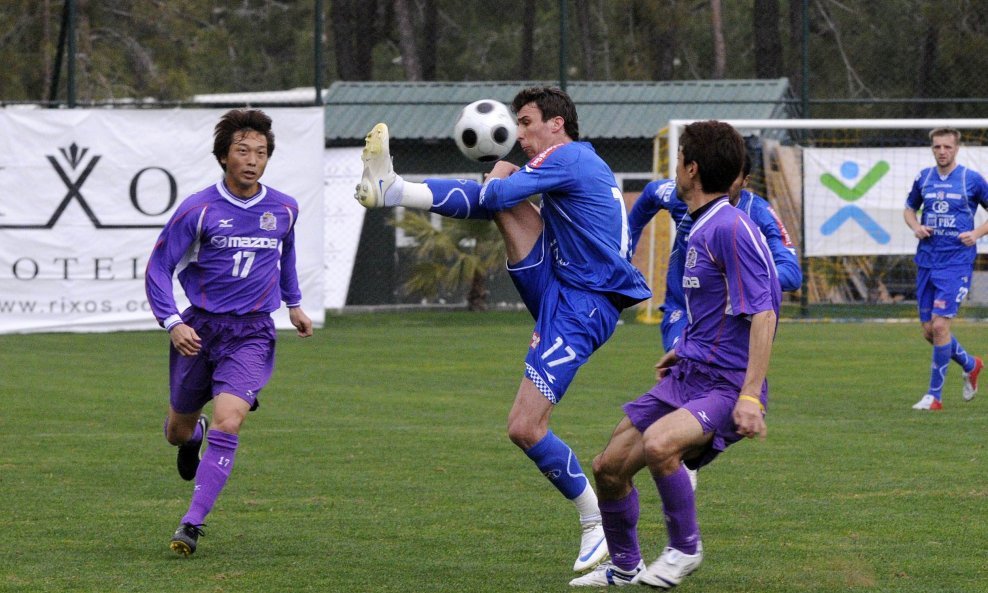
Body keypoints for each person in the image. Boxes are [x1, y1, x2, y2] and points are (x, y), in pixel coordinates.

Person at [354, 86, 652, 572]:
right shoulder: (571, 162)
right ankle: (392, 189)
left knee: (524, 426)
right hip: (563, 285)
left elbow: (495, 193)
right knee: (507, 176)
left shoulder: (572, 157)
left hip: (583, 308)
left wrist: (492, 177)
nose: (520, 133)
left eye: (527, 122)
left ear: (557, 124)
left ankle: (596, 523)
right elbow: (502, 192)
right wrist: (498, 176)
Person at [569, 120, 780, 588]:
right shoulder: (700, 226)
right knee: (608, 468)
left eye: (678, 159)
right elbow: (717, 311)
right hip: (689, 374)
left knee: (661, 444)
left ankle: (685, 548)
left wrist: (749, 396)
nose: (675, 170)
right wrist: (683, 349)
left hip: (726, 385)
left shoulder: (730, 227)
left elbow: (763, 314)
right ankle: (624, 567)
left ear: (691, 168)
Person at [145, 108, 314, 556]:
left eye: (260, 152)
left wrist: (294, 304)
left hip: (252, 333)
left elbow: (287, 256)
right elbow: (158, 267)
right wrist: (173, 322)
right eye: (243, 151)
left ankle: (191, 524)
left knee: (231, 420)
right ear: (223, 157)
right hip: (199, 330)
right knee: (176, 431)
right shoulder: (198, 209)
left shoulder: (284, 208)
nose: (252, 159)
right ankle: (193, 436)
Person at [628, 152, 801, 353]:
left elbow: (792, 274)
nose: (724, 181)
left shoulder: (759, 214)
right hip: (681, 310)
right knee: (685, 365)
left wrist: (745, 275)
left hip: (726, 320)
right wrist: (625, 253)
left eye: (732, 176)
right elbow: (651, 193)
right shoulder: (686, 198)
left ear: (745, 181)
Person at [904, 127, 988, 411]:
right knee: (930, 332)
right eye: (937, 147)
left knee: (940, 326)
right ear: (932, 149)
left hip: (956, 262)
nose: (942, 152)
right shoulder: (923, 178)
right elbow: (908, 209)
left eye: (947, 147)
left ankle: (934, 397)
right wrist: (916, 227)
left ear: (957, 149)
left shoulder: (971, 180)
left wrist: (976, 234)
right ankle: (971, 364)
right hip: (927, 260)